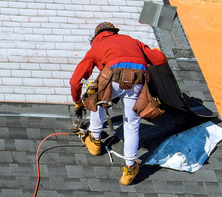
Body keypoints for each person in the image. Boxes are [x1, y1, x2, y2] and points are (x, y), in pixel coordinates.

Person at [70, 22, 167, 185]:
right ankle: (130, 168)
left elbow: (75, 81)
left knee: (97, 99)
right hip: (137, 80)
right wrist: (155, 50)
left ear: (96, 37)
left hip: (112, 78)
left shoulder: (96, 47)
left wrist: (78, 102)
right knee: (132, 124)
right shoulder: (132, 40)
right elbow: (160, 59)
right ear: (114, 32)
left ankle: (94, 140)